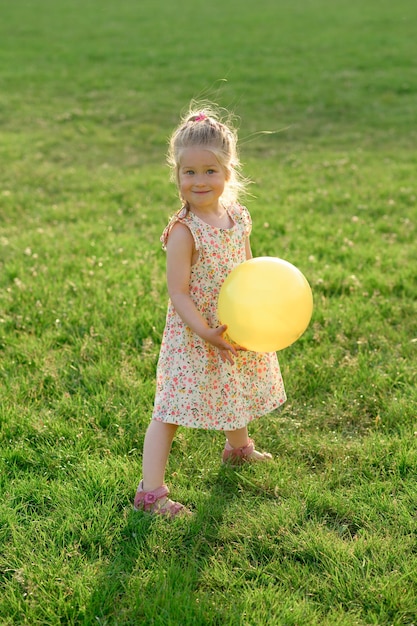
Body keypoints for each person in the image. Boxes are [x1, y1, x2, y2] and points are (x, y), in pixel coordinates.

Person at [134, 105, 286, 517]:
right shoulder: (185, 230)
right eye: (190, 172)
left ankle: (237, 448)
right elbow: (178, 292)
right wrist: (203, 332)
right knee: (170, 411)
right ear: (177, 175)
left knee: (232, 385)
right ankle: (151, 494)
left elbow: (250, 270)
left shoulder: (237, 217)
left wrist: (258, 309)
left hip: (231, 325)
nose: (199, 181)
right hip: (194, 332)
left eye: (210, 171)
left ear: (228, 172)